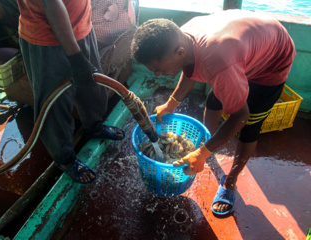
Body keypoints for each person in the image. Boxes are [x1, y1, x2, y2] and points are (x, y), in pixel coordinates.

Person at [131, 9, 295, 215]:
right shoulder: (182, 39)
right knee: (215, 98)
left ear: (179, 52)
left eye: (160, 69)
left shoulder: (219, 64)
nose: (157, 74)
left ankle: (230, 183)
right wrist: (172, 103)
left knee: (250, 125)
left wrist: (201, 153)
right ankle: (207, 144)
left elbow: (240, 116)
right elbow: (190, 68)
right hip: (247, 44)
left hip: (272, 61)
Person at [16, 0, 125, 184]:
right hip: (47, 39)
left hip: (82, 28)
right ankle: (65, 159)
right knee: (54, 104)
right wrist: (75, 56)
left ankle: (94, 127)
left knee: (92, 87)